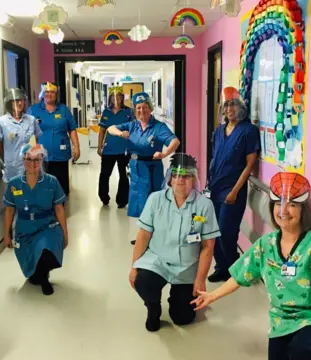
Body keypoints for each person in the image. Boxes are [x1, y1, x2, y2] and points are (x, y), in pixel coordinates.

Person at [192, 172, 311, 360]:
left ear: (304, 209)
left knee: (302, 350)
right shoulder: (266, 244)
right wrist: (212, 295)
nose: (284, 211)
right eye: (279, 204)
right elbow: (241, 275)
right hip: (281, 322)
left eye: (293, 205)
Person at [129, 153, 220, 331]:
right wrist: (134, 267)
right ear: (170, 178)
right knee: (142, 281)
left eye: (187, 175)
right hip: (158, 260)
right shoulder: (156, 199)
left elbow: (208, 246)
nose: (181, 180)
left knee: (183, 318)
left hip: (187, 266)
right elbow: (143, 236)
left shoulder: (204, 205)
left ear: (194, 179)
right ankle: (153, 307)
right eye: (176, 175)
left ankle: (177, 298)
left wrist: (200, 280)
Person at [107, 92, 180, 244]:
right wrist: (121, 133)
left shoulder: (158, 127)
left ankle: (155, 237)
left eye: (145, 107)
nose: (142, 111)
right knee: (140, 203)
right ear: (135, 110)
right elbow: (110, 128)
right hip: (136, 168)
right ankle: (143, 235)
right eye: (139, 108)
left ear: (150, 108)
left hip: (152, 169)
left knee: (154, 203)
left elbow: (175, 141)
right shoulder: (132, 125)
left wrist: (164, 153)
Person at [206, 86, 261, 282]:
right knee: (214, 231)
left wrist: (235, 191)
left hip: (233, 191)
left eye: (233, 105)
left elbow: (250, 164)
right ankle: (221, 267)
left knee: (226, 232)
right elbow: (214, 159)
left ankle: (233, 269)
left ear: (240, 107)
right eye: (226, 105)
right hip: (215, 188)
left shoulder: (248, 131)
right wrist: (207, 186)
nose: (229, 109)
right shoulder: (218, 131)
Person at [3, 141, 69, 295]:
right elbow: (9, 211)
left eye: (37, 159)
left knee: (45, 248)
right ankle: (39, 274)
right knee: (33, 275)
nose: (33, 163)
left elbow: (59, 209)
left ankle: (44, 278)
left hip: (47, 225)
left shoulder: (51, 182)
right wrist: (6, 234)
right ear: (23, 160)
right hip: (24, 228)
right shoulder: (14, 184)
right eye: (29, 159)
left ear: (42, 160)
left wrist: (65, 233)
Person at [27, 82, 80, 196]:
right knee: (43, 185)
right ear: (42, 93)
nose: (49, 94)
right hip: (40, 156)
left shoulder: (64, 110)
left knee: (61, 185)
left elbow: (72, 129)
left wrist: (76, 147)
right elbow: (27, 132)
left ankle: (60, 209)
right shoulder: (33, 110)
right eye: (46, 92)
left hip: (61, 155)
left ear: (56, 94)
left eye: (52, 92)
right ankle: (46, 209)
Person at [0, 88, 42, 182]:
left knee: (31, 193)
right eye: (15, 101)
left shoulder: (31, 120)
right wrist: (7, 160)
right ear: (9, 103)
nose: (19, 103)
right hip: (12, 167)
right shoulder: (1, 122)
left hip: (31, 165)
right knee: (16, 193)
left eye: (21, 100)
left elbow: (36, 141)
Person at [97, 84, 133, 207]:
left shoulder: (128, 112)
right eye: (113, 97)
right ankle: (104, 197)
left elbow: (133, 129)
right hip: (108, 149)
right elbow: (102, 130)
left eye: (118, 97)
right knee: (105, 174)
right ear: (110, 98)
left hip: (124, 149)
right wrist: (99, 146)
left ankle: (122, 200)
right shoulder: (106, 112)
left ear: (122, 98)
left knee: (123, 175)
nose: (116, 99)